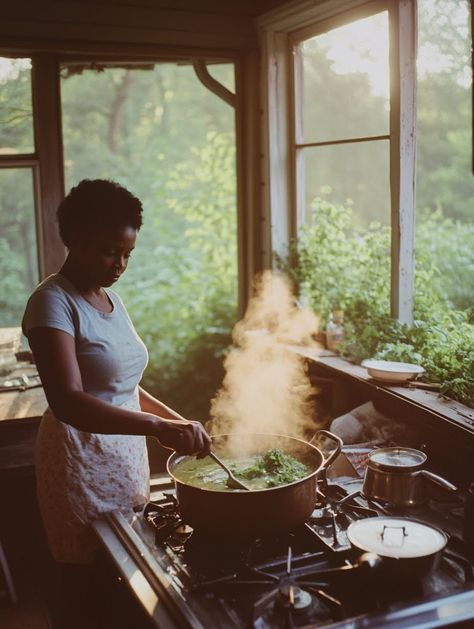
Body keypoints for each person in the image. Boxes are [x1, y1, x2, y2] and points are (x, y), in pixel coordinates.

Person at [21, 179, 211, 627]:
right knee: (88, 592)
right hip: (79, 464)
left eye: (127, 254)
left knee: (125, 586)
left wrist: (177, 421)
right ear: (77, 240)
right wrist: (158, 429)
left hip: (124, 457)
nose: (120, 264)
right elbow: (68, 401)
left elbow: (126, 386)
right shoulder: (52, 303)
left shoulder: (111, 300)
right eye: (110, 252)